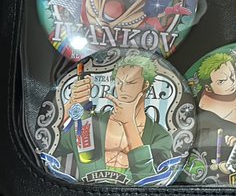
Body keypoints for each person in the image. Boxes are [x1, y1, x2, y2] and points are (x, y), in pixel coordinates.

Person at [56, 56, 173, 184]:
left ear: (145, 85)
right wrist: (71, 103)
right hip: (83, 193)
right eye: (119, 82)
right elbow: (49, 143)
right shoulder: (89, 125)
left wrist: (129, 123)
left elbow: (153, 181)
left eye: (130, 82)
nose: (122, 88)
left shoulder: (160, 136)